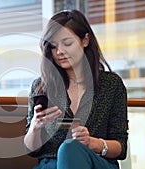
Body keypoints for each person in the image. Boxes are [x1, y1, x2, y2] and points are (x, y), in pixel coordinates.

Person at [24, 9, 128, 169]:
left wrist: (92, 143)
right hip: (51, 165)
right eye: (53, 46)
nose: (59, 52)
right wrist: (35, 128)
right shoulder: (41, 86)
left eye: (67, 43)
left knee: (69, 148)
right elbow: (32, 150)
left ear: (85, 40)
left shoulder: (111, 85)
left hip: (95, 163)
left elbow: (121, 147)